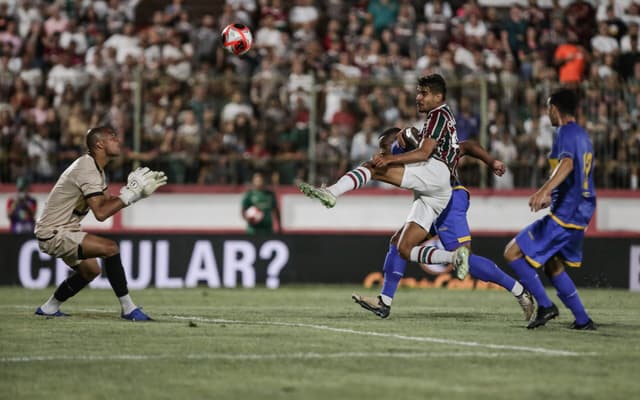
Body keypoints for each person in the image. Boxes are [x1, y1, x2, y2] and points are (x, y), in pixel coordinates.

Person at [299, 74, 471, 316]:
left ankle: (332, 192)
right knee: (403, 247)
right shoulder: (441, 118)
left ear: (438, 97)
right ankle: (451, 260)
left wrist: (391, 158)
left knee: (374, 167)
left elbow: (424, 153)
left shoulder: (438, 115)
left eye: (423, 93)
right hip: (438, 191)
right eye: (418, 92)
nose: (418, 97)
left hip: (436, 173)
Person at [352, 127, 534, 320]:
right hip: (434, 204)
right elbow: (467, 146)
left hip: (450, 201)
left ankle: (520, 291)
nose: (381, 153)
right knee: (399, 243)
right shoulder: (407, 154)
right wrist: (491, 161)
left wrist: (491, 161)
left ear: (396, 144)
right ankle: (384, 302)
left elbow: (466, 146)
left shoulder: (416, 147)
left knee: (466, 261)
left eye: (383, 148)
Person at [34, 126, 167, 321]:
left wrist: (135, 195)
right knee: (110, 248)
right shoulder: (86, 168)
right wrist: (129, 194)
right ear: (99, 143)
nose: (118, 141)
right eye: (113, 137)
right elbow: (101, 213)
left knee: (91, 270)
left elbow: (109, 202)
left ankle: (49, 307)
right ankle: (128, 308)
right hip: (54, 232)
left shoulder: (94, 168)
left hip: (62, 229)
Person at [504, 89, 596, 330]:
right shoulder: (582, 135)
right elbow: (575, 175)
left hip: (568, 214)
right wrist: (553, 196)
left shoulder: (565, 132)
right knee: (553, 264)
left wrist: (544, 190)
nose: (547, 112)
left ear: (554, 108)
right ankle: (583, 320)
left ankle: (545, 305)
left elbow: (567, 164)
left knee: (512, 253)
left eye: (547, 108)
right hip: (580, 212)